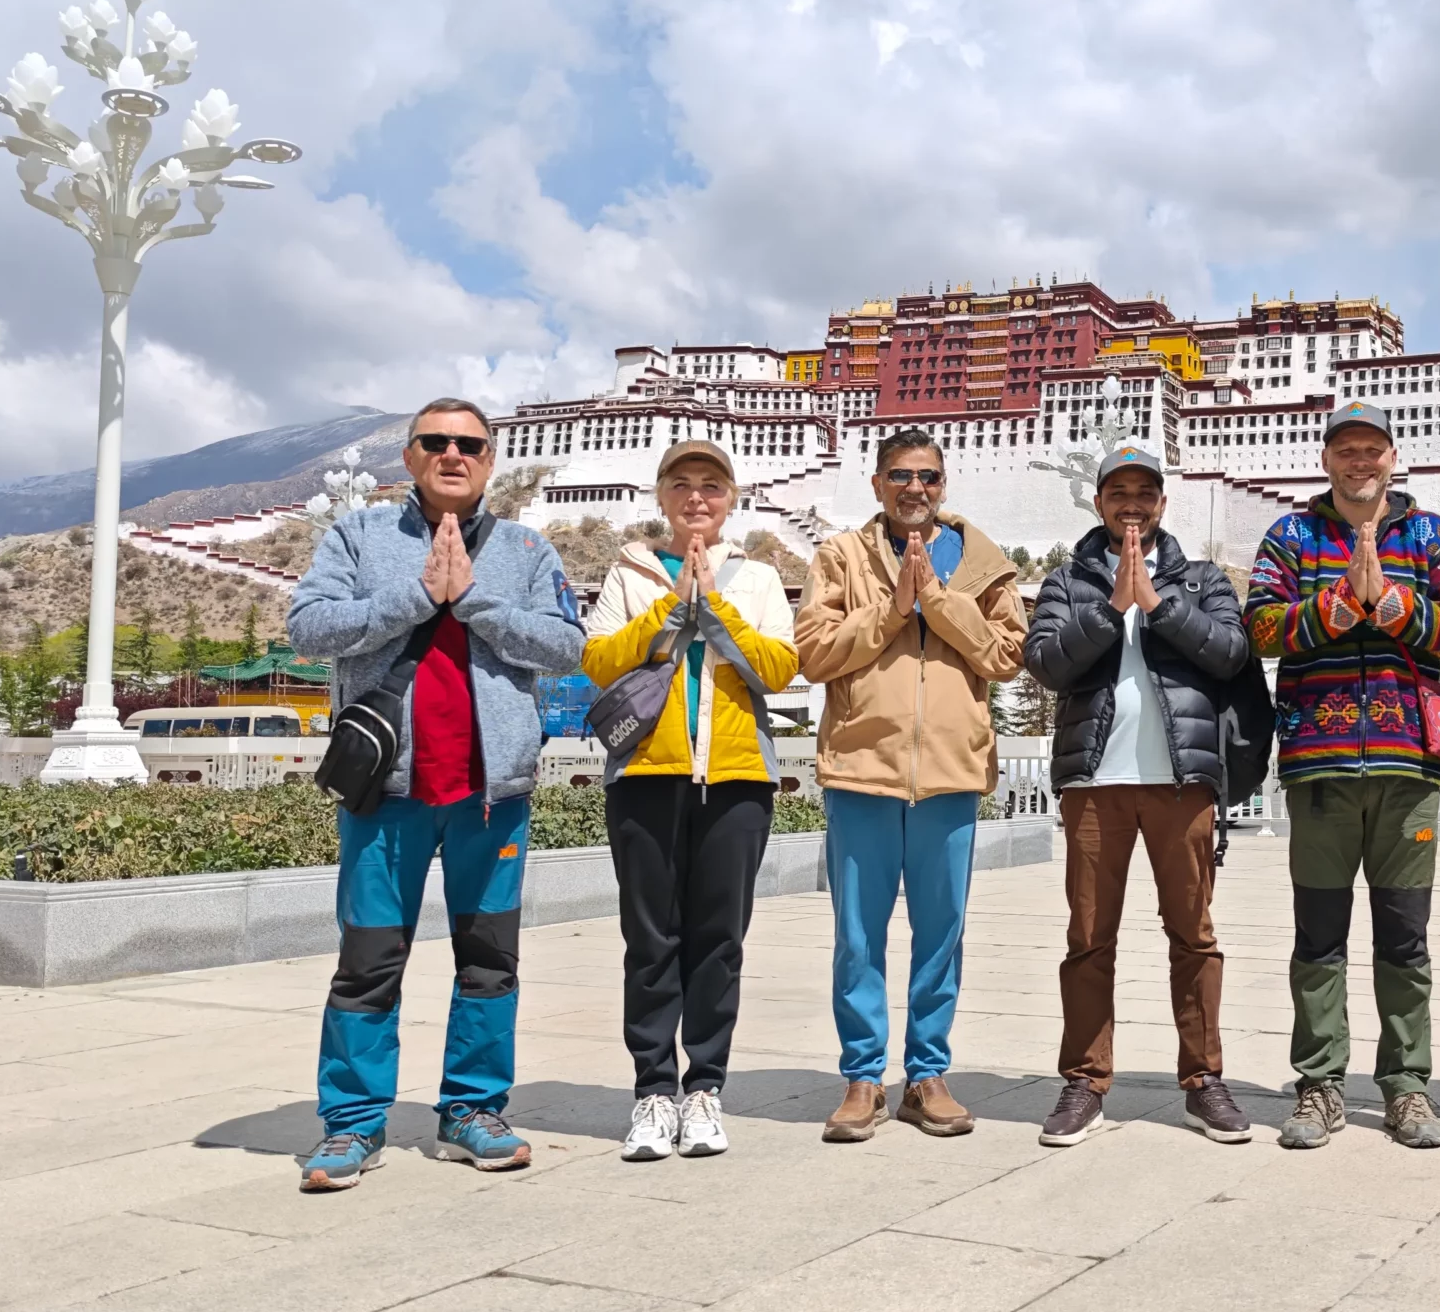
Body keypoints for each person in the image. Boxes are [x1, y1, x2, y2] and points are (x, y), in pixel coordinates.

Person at [288, 398, 587, 1191]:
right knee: (368, 961)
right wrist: (418, 598)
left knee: (490, 962)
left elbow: (566, 645)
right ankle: (352, 1123)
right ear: (410, 457)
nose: (453, 454)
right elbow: (308, 629)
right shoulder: (357, 537)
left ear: (490, 460)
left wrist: (475, 600)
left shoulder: (526, 548)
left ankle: (473, 1111)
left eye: (470, 444)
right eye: (436, 442)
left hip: (493, 794)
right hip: (387, 793)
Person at [1245, 401, 1440, 1150]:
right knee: (1318, 935)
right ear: (1326, 459)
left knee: (1405, 935)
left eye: (1372, 449)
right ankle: (1319, 1082)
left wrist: (1393, 603)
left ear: (1392, 456)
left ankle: (1407, 1084)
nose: (1360, 461)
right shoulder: (1290, 536)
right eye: (1346, 449)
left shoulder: (1433, 535)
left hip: (1408, 764)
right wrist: (1340, 605)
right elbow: (1258, 627)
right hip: (1318, 766)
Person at [796, 426, 1026, 1142]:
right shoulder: (840, 556)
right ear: (876, 485)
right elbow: (813, 652)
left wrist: (940, 601)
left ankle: (927, 1074)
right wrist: (892, 609)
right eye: (900, 476)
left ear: (944, 483)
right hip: (862, 768)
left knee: (941, 933)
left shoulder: (984, 562)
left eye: (927, 476)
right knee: (858, 935)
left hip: (952, 772)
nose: (914, 490)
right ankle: (863, 1077)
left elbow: (1008, 657)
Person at [1023, 445, 1255, 1147]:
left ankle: (1204, 1079)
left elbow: (1231, 653)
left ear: (1162, 502)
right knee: (1089, 939)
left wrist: (1156, 605)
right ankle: (1085, 1082)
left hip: (1181, 783)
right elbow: (1045, 663)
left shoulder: (1203, 577)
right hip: (1095, 785)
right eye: (1117, 492)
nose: (1131, 504)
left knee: (1194, 936)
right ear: (1098, 502)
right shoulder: (1066, 581)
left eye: (1144, 492)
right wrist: (1110, 609)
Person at [581, 440, 800, 1162]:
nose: (697, 498)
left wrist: (719, 614)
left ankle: (704, 1088)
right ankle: (653, 1091)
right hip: (647, 772)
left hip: (737, 776)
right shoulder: (629, 572)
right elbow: (599, 661)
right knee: (650, 942)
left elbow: (778, 668)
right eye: (683, 485)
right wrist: (672, 611)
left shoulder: (760, 577)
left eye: (711, 485)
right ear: (661, 495)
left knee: (719, 942)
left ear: (732, 496)